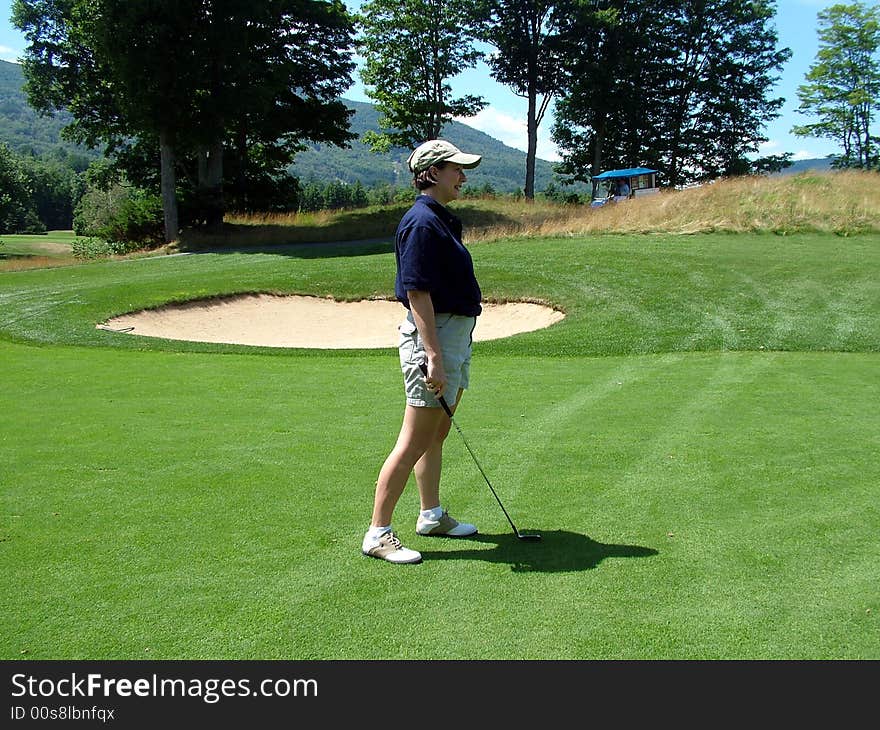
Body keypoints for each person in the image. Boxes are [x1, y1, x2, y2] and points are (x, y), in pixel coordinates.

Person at [362, 139, 483, 564]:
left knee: (437, 432)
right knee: (415, 438)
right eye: (456, 169)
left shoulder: (441, 219)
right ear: (432, 173)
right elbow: (417, 291)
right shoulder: (421, 222)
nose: (463, 177)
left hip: (454, 335)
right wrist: (432, 355)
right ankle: (378, 532)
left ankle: (430, 514)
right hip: (435, 338)